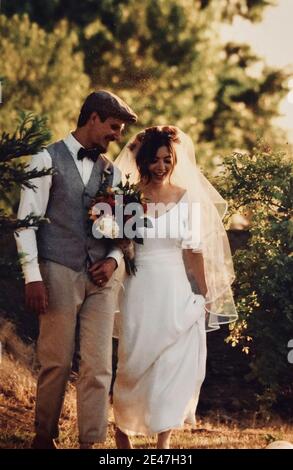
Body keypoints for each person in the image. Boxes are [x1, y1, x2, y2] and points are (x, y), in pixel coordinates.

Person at [15, 90, 137, 449]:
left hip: (102, 279)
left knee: (99, 365)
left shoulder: (111, 172)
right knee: (56, 359)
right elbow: (26, 223)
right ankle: (44, 436)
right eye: (113, 127)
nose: (117, 136)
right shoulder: (44, 158)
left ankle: (92, 443)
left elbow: (123, 230)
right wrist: (33, 277)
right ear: (94, 118)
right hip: (57, 269)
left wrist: (113, 259)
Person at [112, 126, 237, 449]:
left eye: (167, 159)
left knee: (173, 363)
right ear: (143, 161)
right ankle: (122, 432)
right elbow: (122, 242)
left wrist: (207, 294)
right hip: (139, 286)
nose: (162, 166)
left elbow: (194, 251)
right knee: (133, 360)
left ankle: (163, 443)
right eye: (154, 160)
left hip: (175, 287)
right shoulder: (130, 195)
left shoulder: (187, 197)